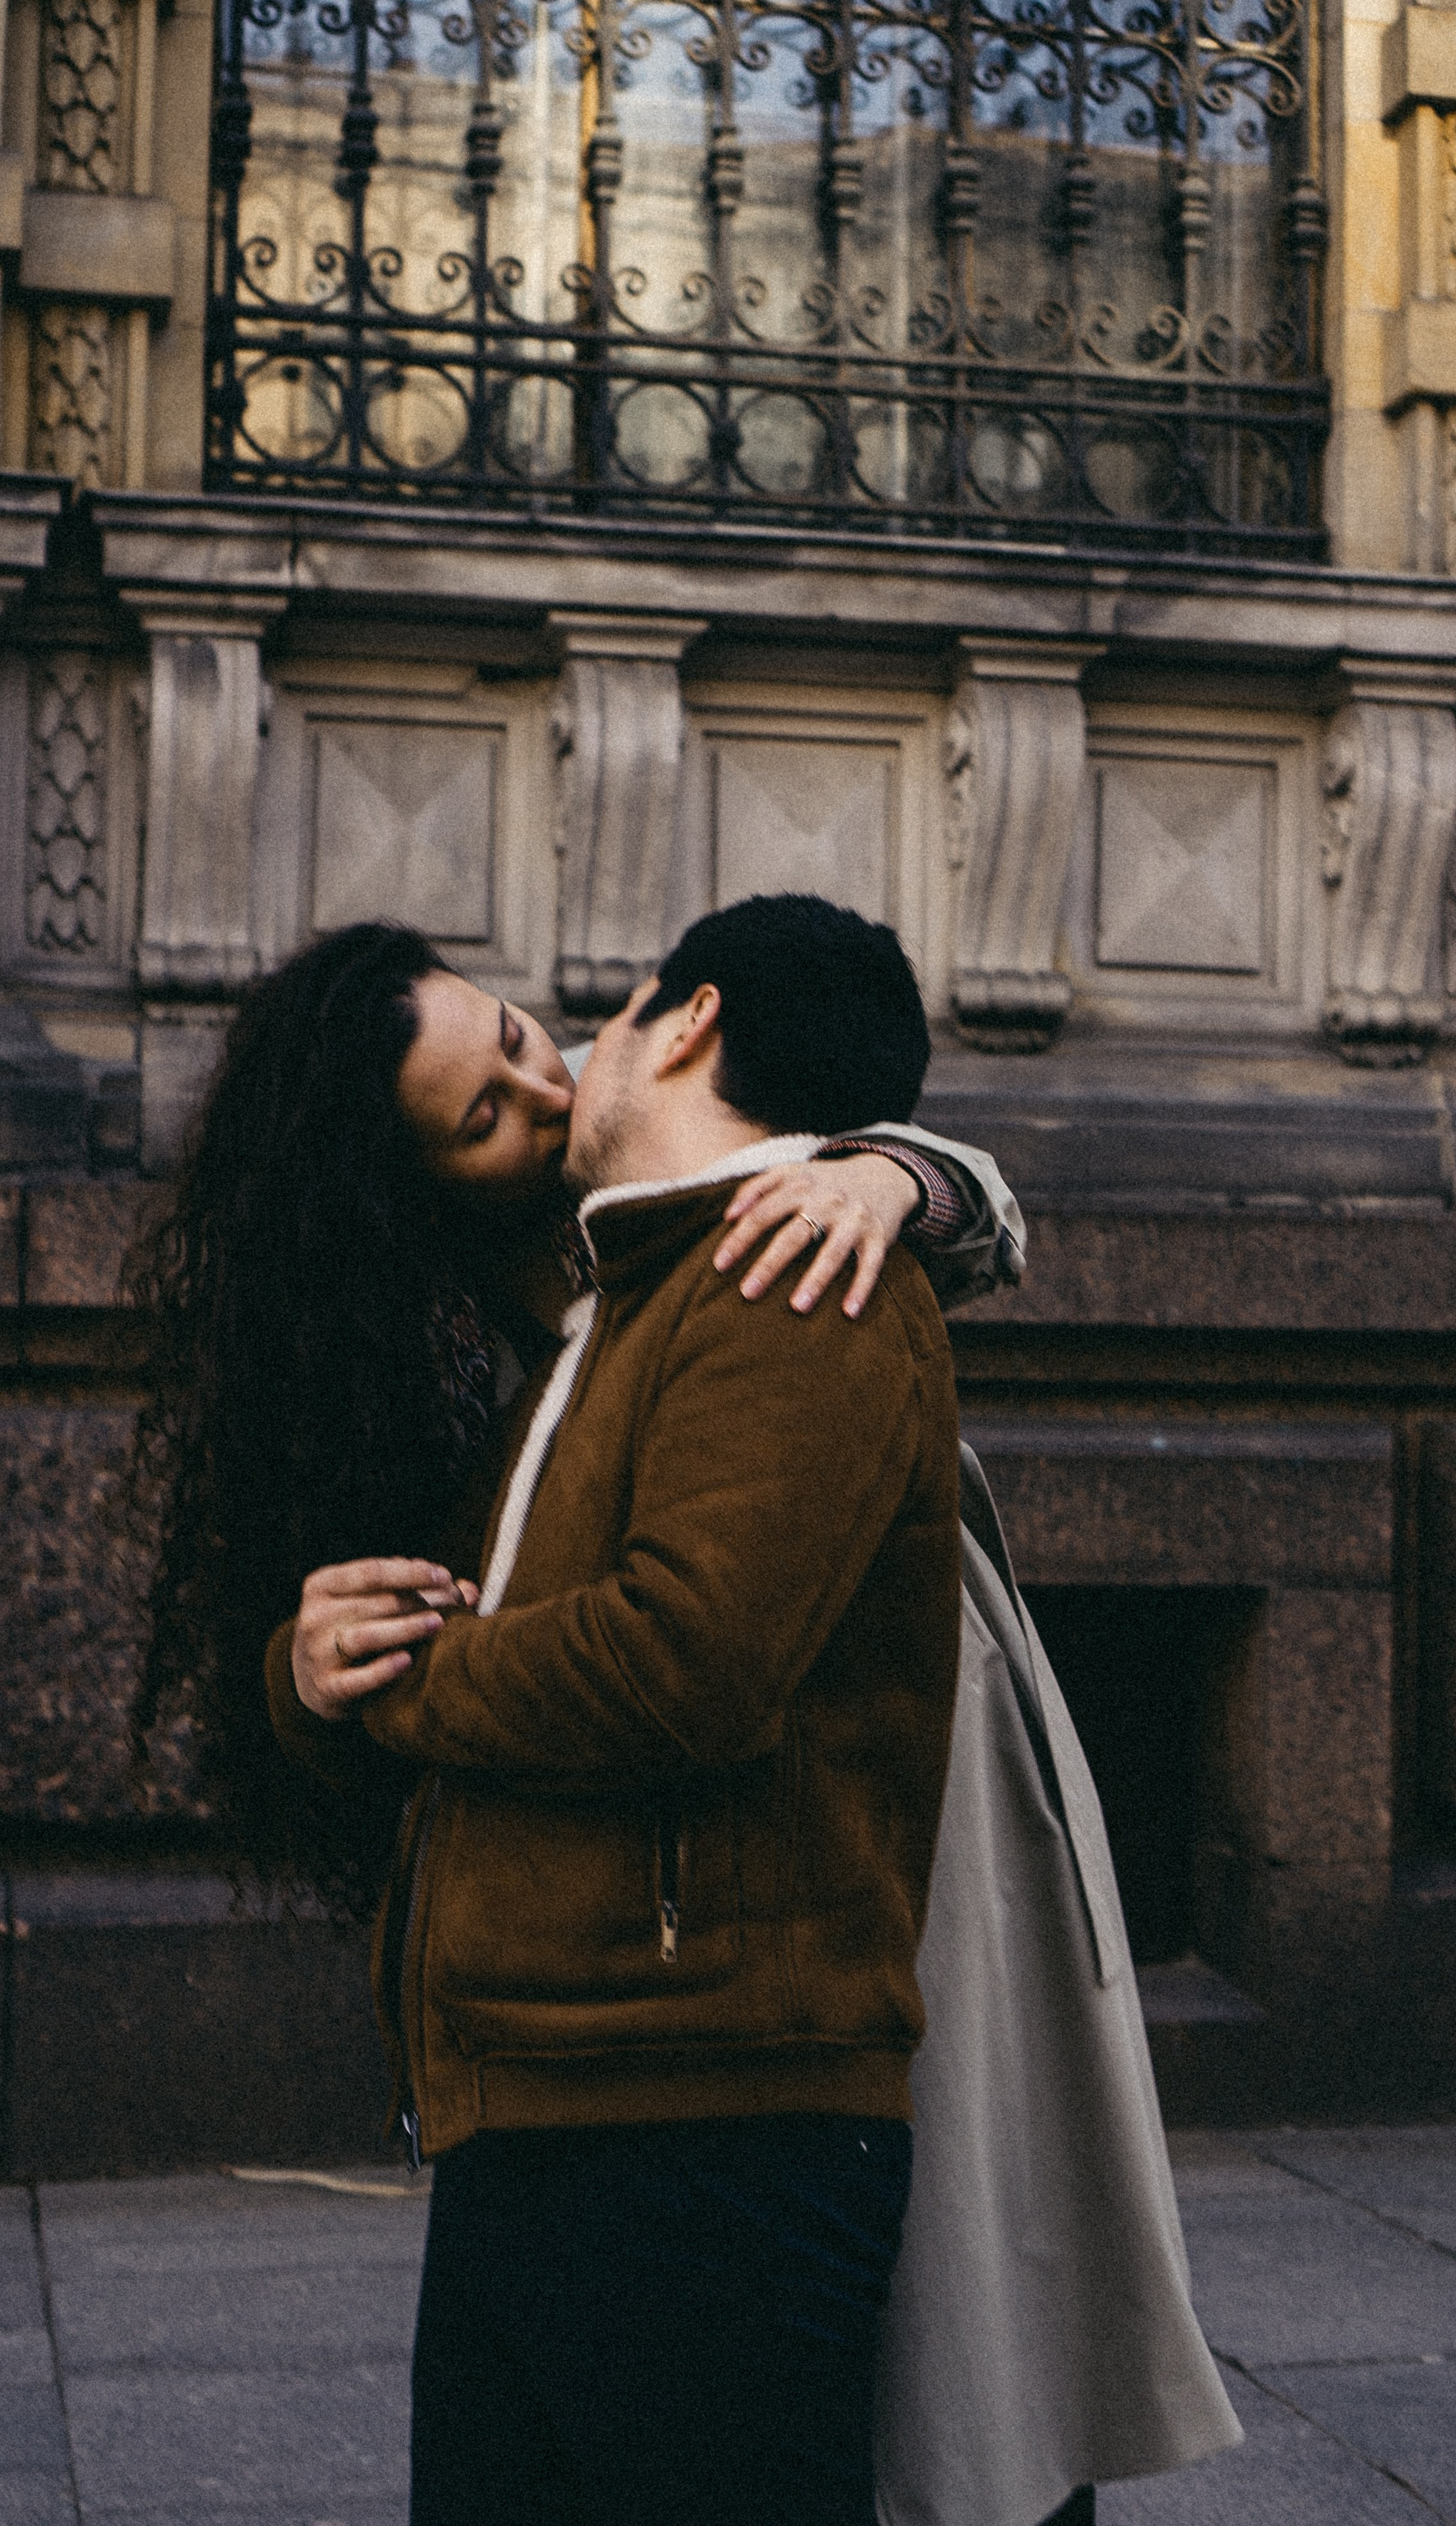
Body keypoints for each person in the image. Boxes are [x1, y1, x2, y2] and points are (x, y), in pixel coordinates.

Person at [275, 894, 965, 2525]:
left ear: (686, 1019)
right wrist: (315, 1664)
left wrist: (908, 1169)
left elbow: (684, 1660)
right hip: (555, 2092)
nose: (555, 1065)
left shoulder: (790, 1271)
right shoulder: (617, 1295)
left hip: (695, 2121)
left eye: (556, 1035)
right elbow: (467, 1603)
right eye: (483, 1098)